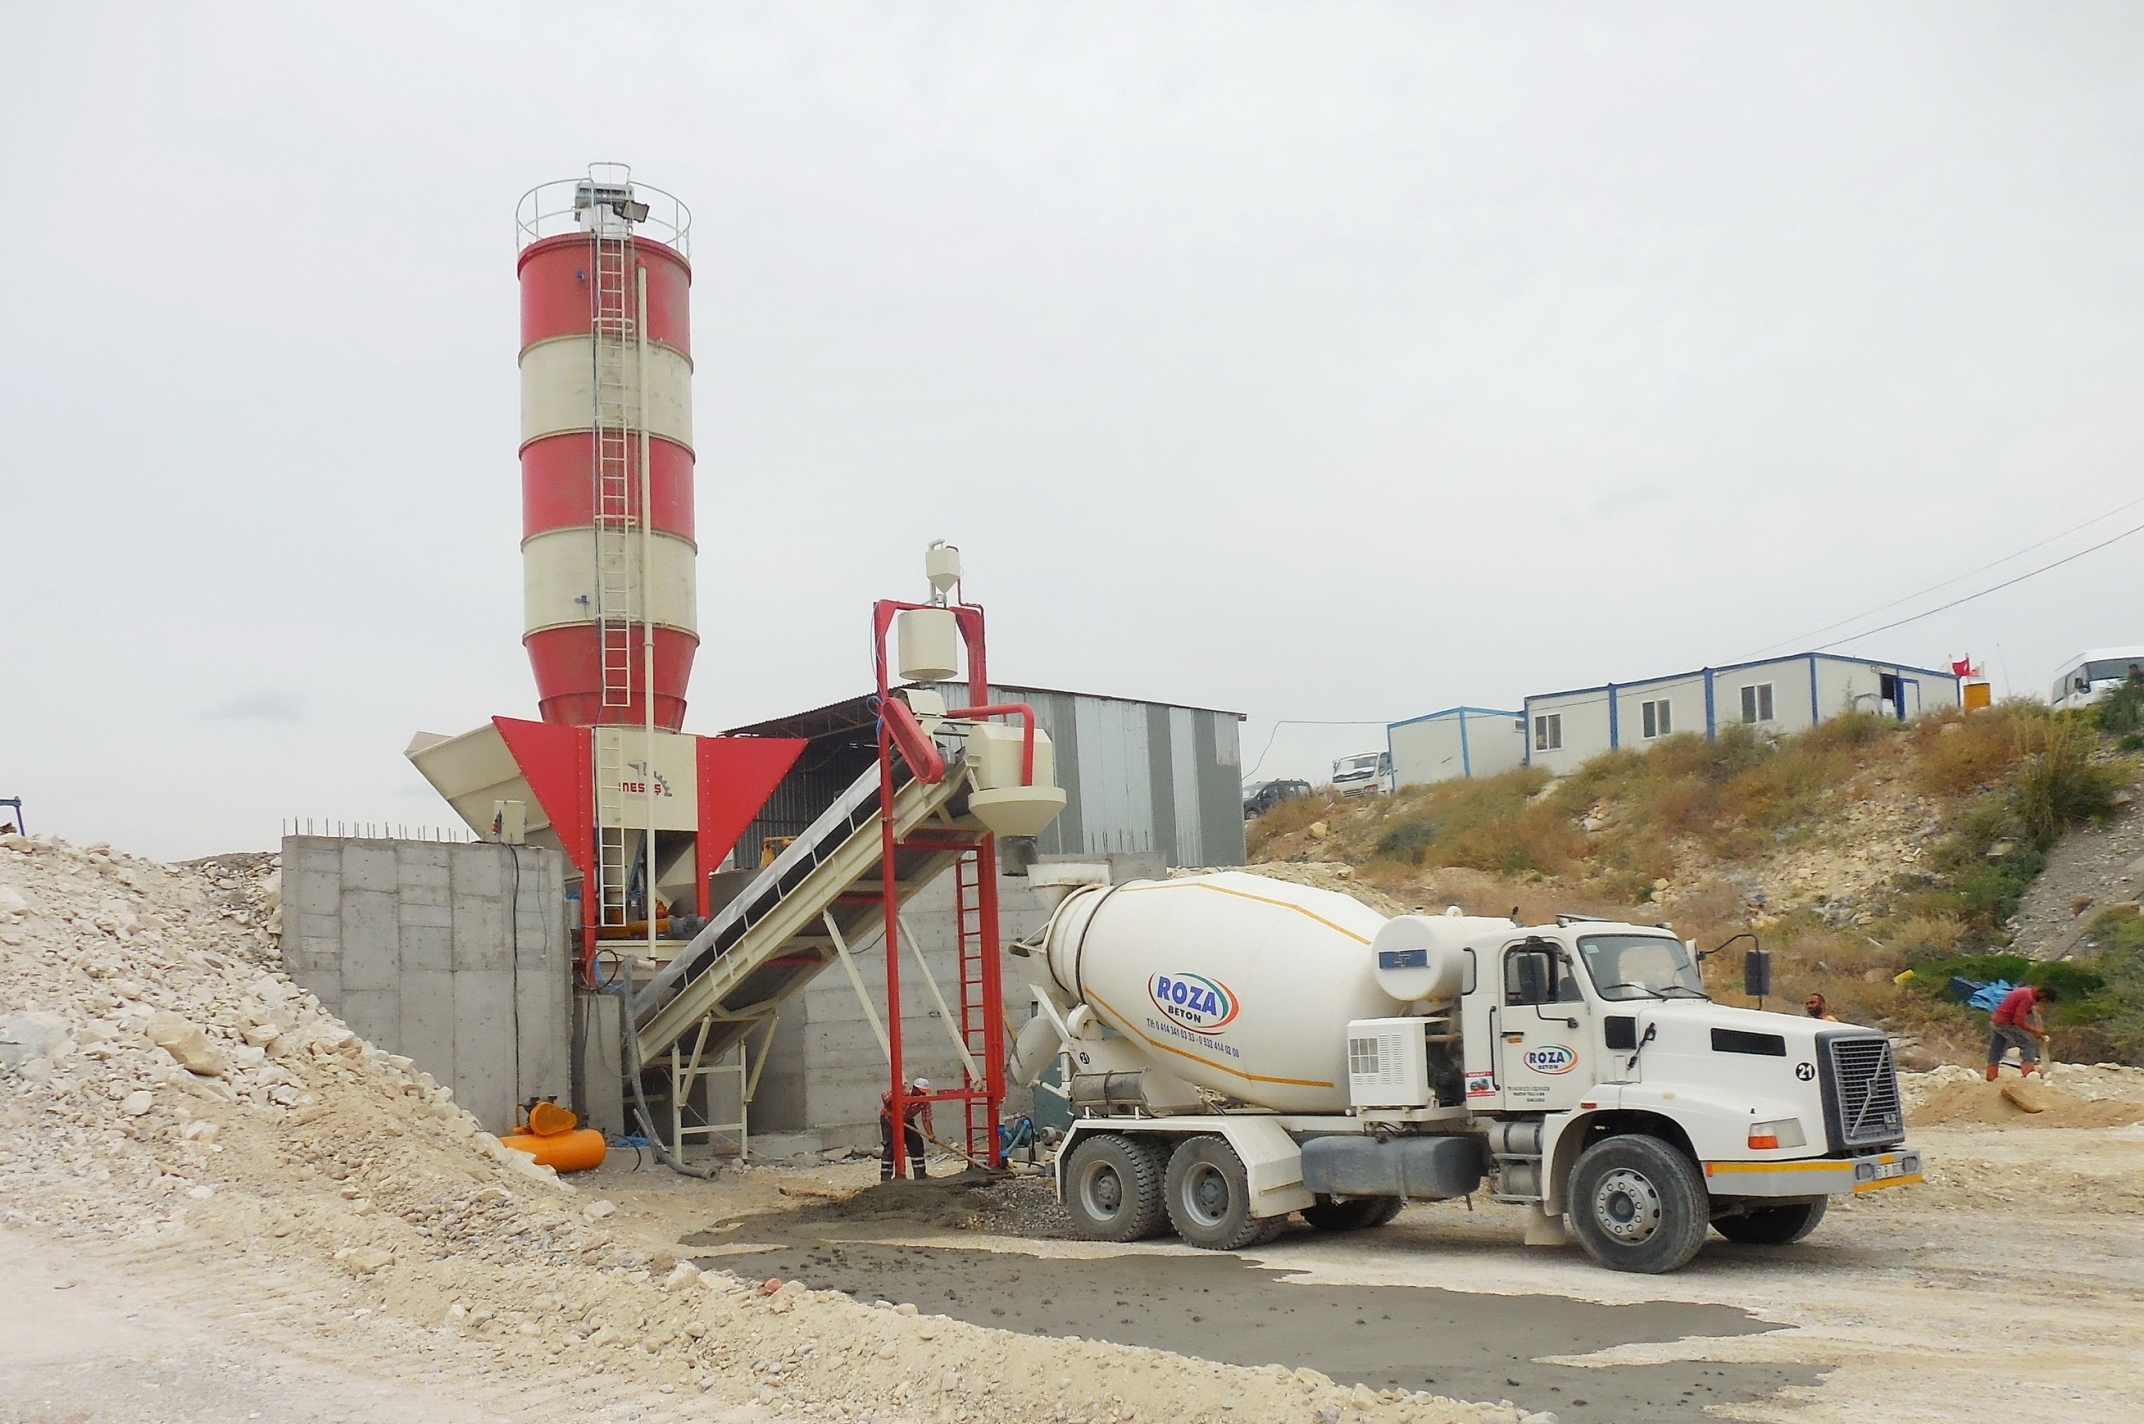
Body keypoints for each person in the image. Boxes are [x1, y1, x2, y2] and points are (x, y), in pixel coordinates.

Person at [1986, 984, 2059, 1080]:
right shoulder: (2028, 998)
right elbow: (2018, 1020)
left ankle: (1991, 1076)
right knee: (2028, 1044)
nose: (2041, 1003)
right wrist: (2034, 1031)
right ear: (2042, 994)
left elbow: (2015, 1008)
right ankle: (2029, 1074)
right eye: (2044, 1001)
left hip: (1996, 1020)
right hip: (2005, 1023)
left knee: (1996, 1049)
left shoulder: (2024, 991)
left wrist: (2031, 1011)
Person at [879, 1076, 935, 1181]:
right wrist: (889, 1110)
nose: (922, 1095)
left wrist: (930, 1134)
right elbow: (884, 1096)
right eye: (921, 1092)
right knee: (890, 1147)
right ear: (914, 1089)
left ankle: (920, 1175)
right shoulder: (902, 1091)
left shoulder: (924, 1100)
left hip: (906, 1120)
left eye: (924, 1092)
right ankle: (886, 1178)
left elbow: (926, 1119)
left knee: (916, 1142)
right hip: (889, 1120)